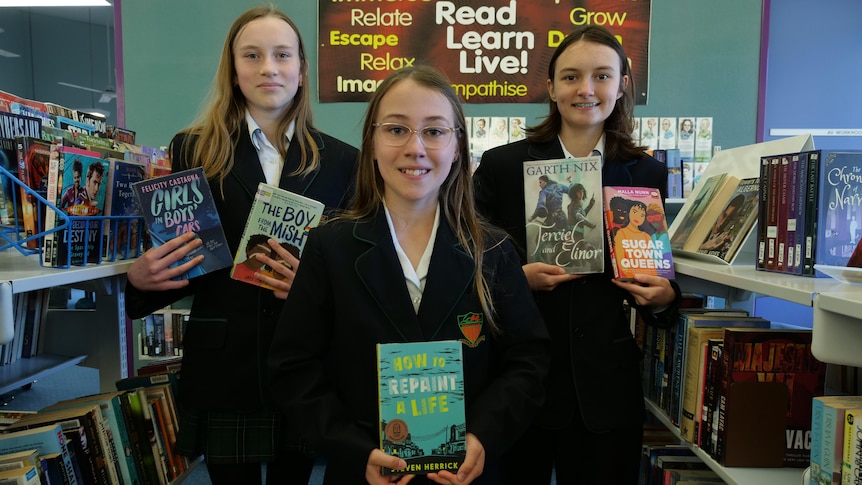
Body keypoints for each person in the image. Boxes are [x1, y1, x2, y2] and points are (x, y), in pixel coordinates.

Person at [268, 65, 551, 485]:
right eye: (396, 130)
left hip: (466, 473)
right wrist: (354, 448)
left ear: (457, 146)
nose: (415, 148)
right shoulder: (330, 247)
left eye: (434, 132)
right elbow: (294, 368)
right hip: (364, 473)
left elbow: (529, 361)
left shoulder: (493, 251)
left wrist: (482, 435)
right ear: (373, 143)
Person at [123, 6, 359, 485]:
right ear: (233, 69)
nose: (268, 67)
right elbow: (190, 252)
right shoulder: (193, 148)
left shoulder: (343, 160)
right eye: (251, 55)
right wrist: (141, 281)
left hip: (306, 359)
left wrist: (317, 286)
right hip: (224, 362)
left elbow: (351, 263)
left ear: (301, 70)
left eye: (282, 55)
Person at [472, 25, 682, 485]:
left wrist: (664, 296)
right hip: (517, 385)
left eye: (602, 76)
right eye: (570, 77)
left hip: (605, 389)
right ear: (550, 87)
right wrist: (515, 280)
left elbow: (657, 275)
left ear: (623, 83)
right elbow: (464, 260)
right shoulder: (504, 167)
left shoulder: (647, 172)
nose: (586, 89)